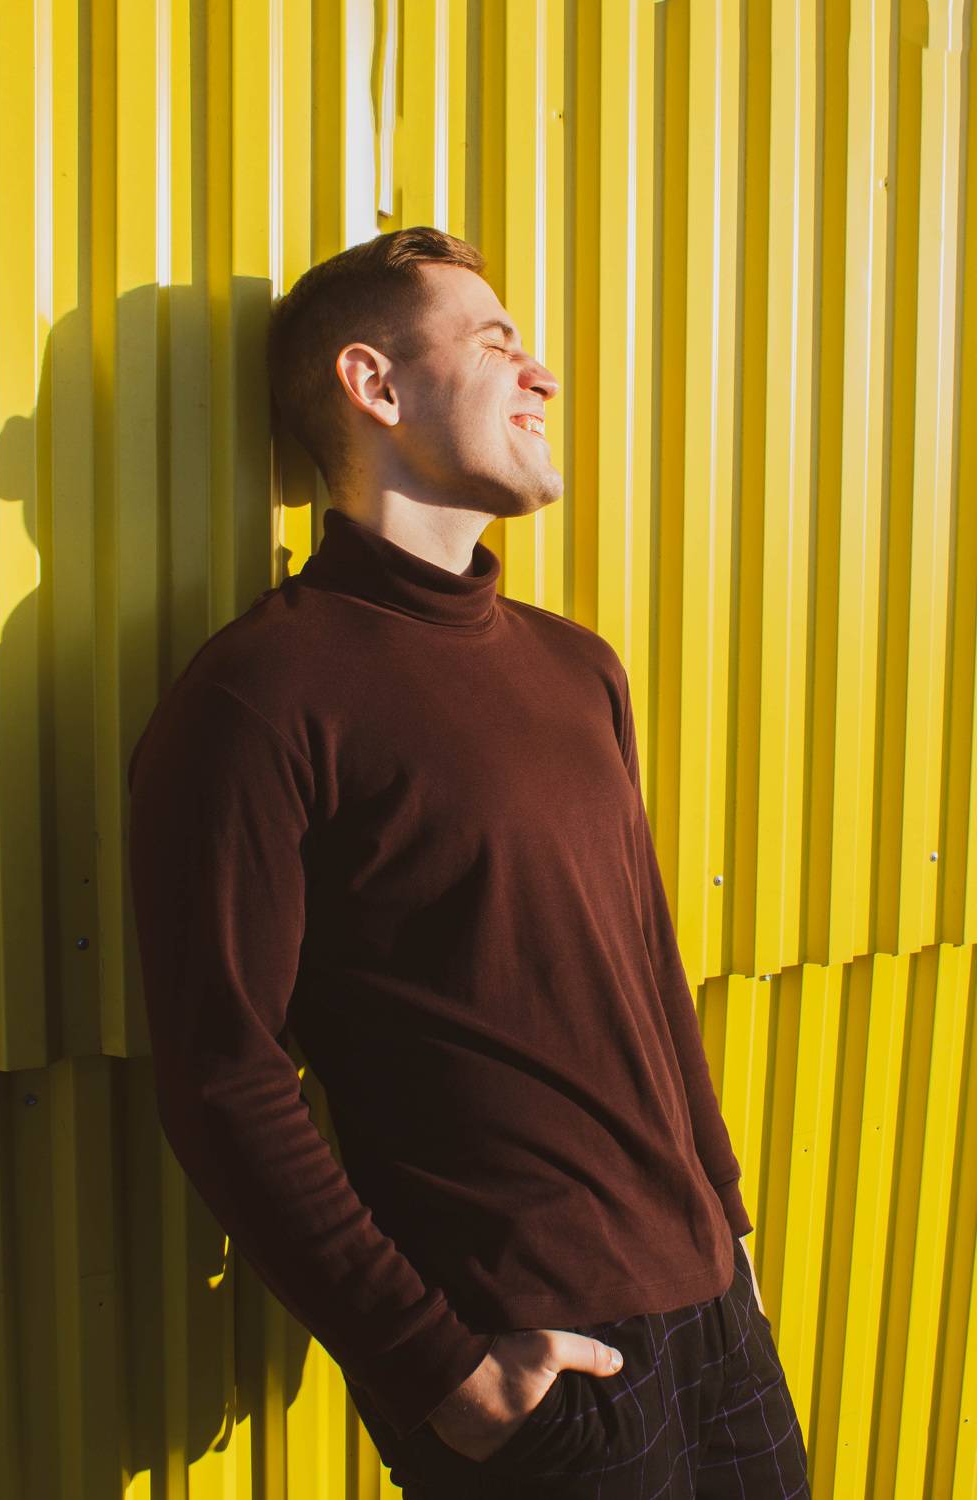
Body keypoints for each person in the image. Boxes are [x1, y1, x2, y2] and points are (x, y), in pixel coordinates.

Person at [127, 226, 810, 1497]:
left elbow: (647, 977)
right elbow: (223, 1076)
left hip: (717, 1320)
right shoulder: (260, 697)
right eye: (496, 344)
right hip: (541, 1366)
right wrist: (438, 1370)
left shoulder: (575, 667)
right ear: (373, 386)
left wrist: (728, 1230)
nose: (542, 374)